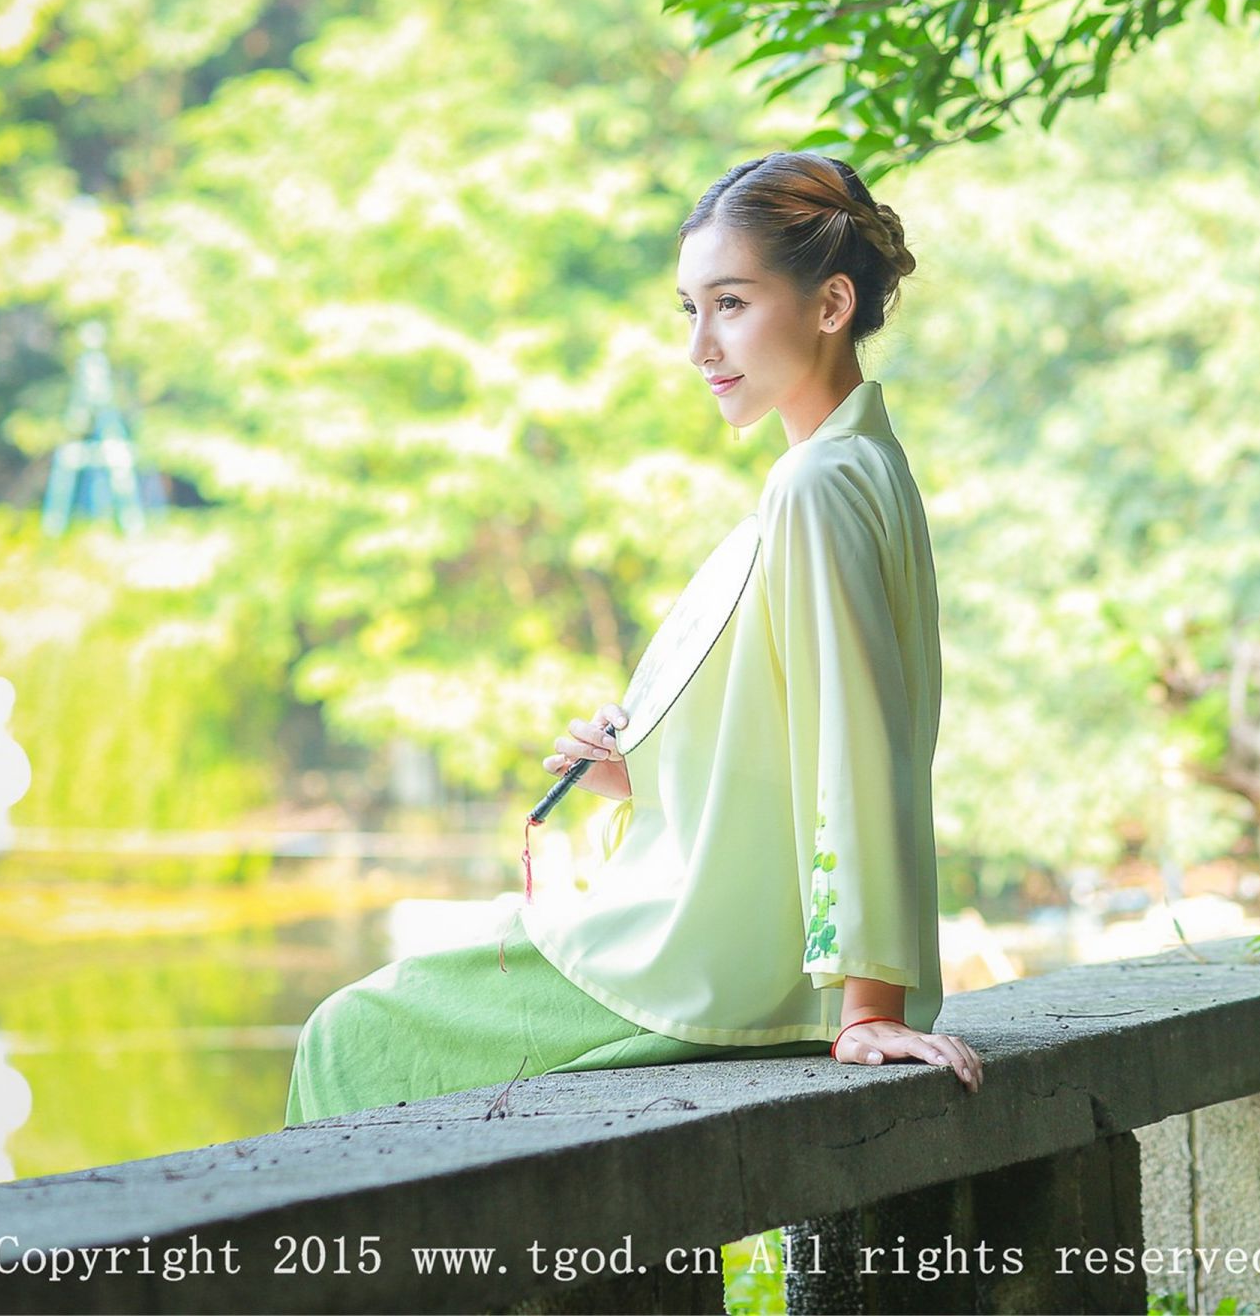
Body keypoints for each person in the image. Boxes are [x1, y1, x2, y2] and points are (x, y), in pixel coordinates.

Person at [285, 152, 983, 1124]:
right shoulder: (863, 460)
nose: (701, 346)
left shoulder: (815, 486)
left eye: (730, 303)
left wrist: (869, 1003)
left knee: (352, 1035)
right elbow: (790, 735)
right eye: (688, 311)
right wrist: (643, 773)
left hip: (720, 968)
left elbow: (858, 744)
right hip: (761, 958)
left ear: (830, 306)